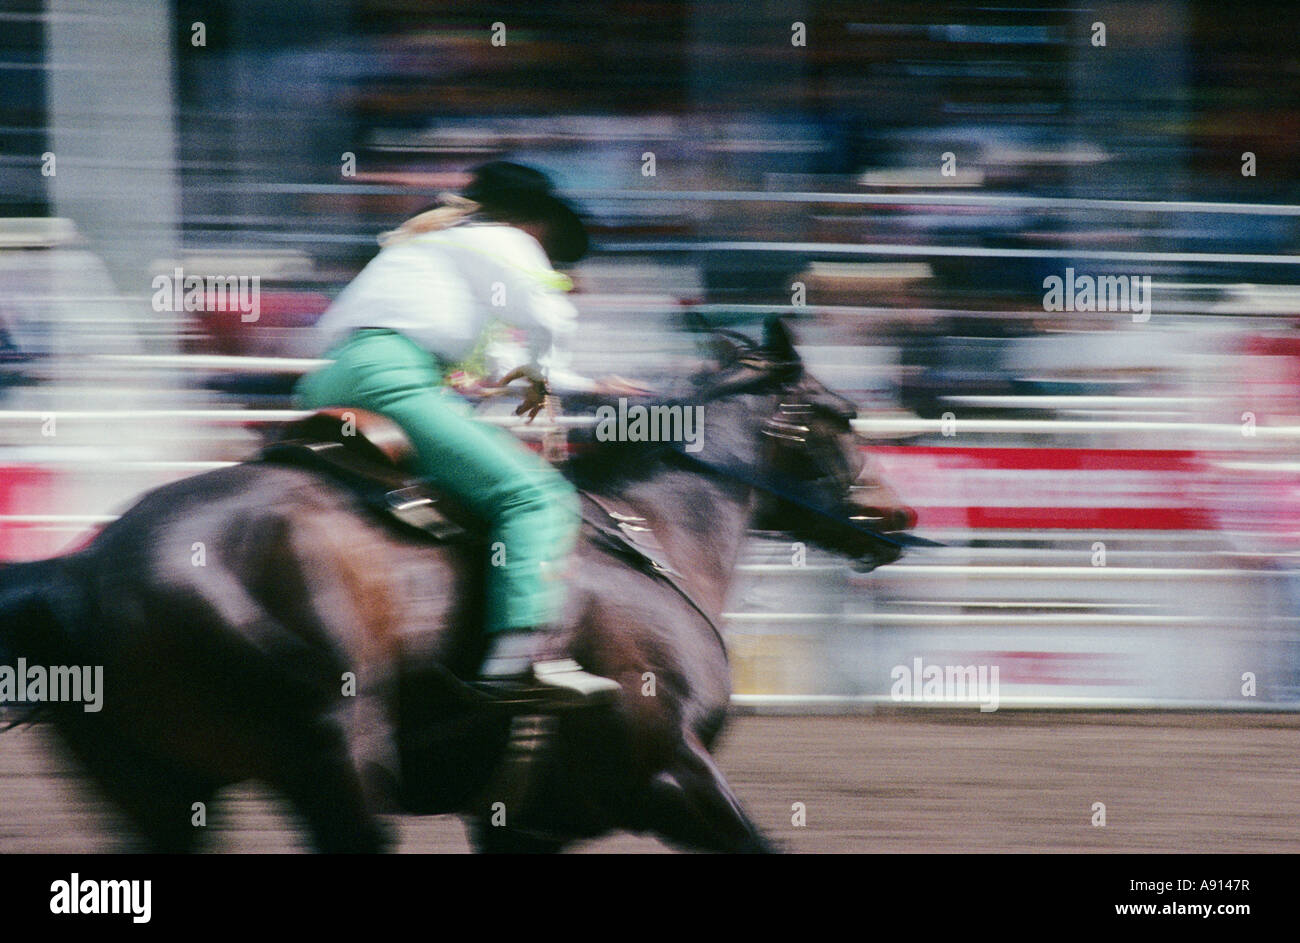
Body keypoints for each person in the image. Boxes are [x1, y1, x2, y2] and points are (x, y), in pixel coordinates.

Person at [296, 161, 619, 702]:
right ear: (535, 224)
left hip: (329, 380)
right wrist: (559, 388)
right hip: (394, 380)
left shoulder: (428, 245)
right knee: (537, 496)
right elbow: (548, 320)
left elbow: (501, 362)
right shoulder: (508, 242)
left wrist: (579, 382)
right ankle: (518, 659)